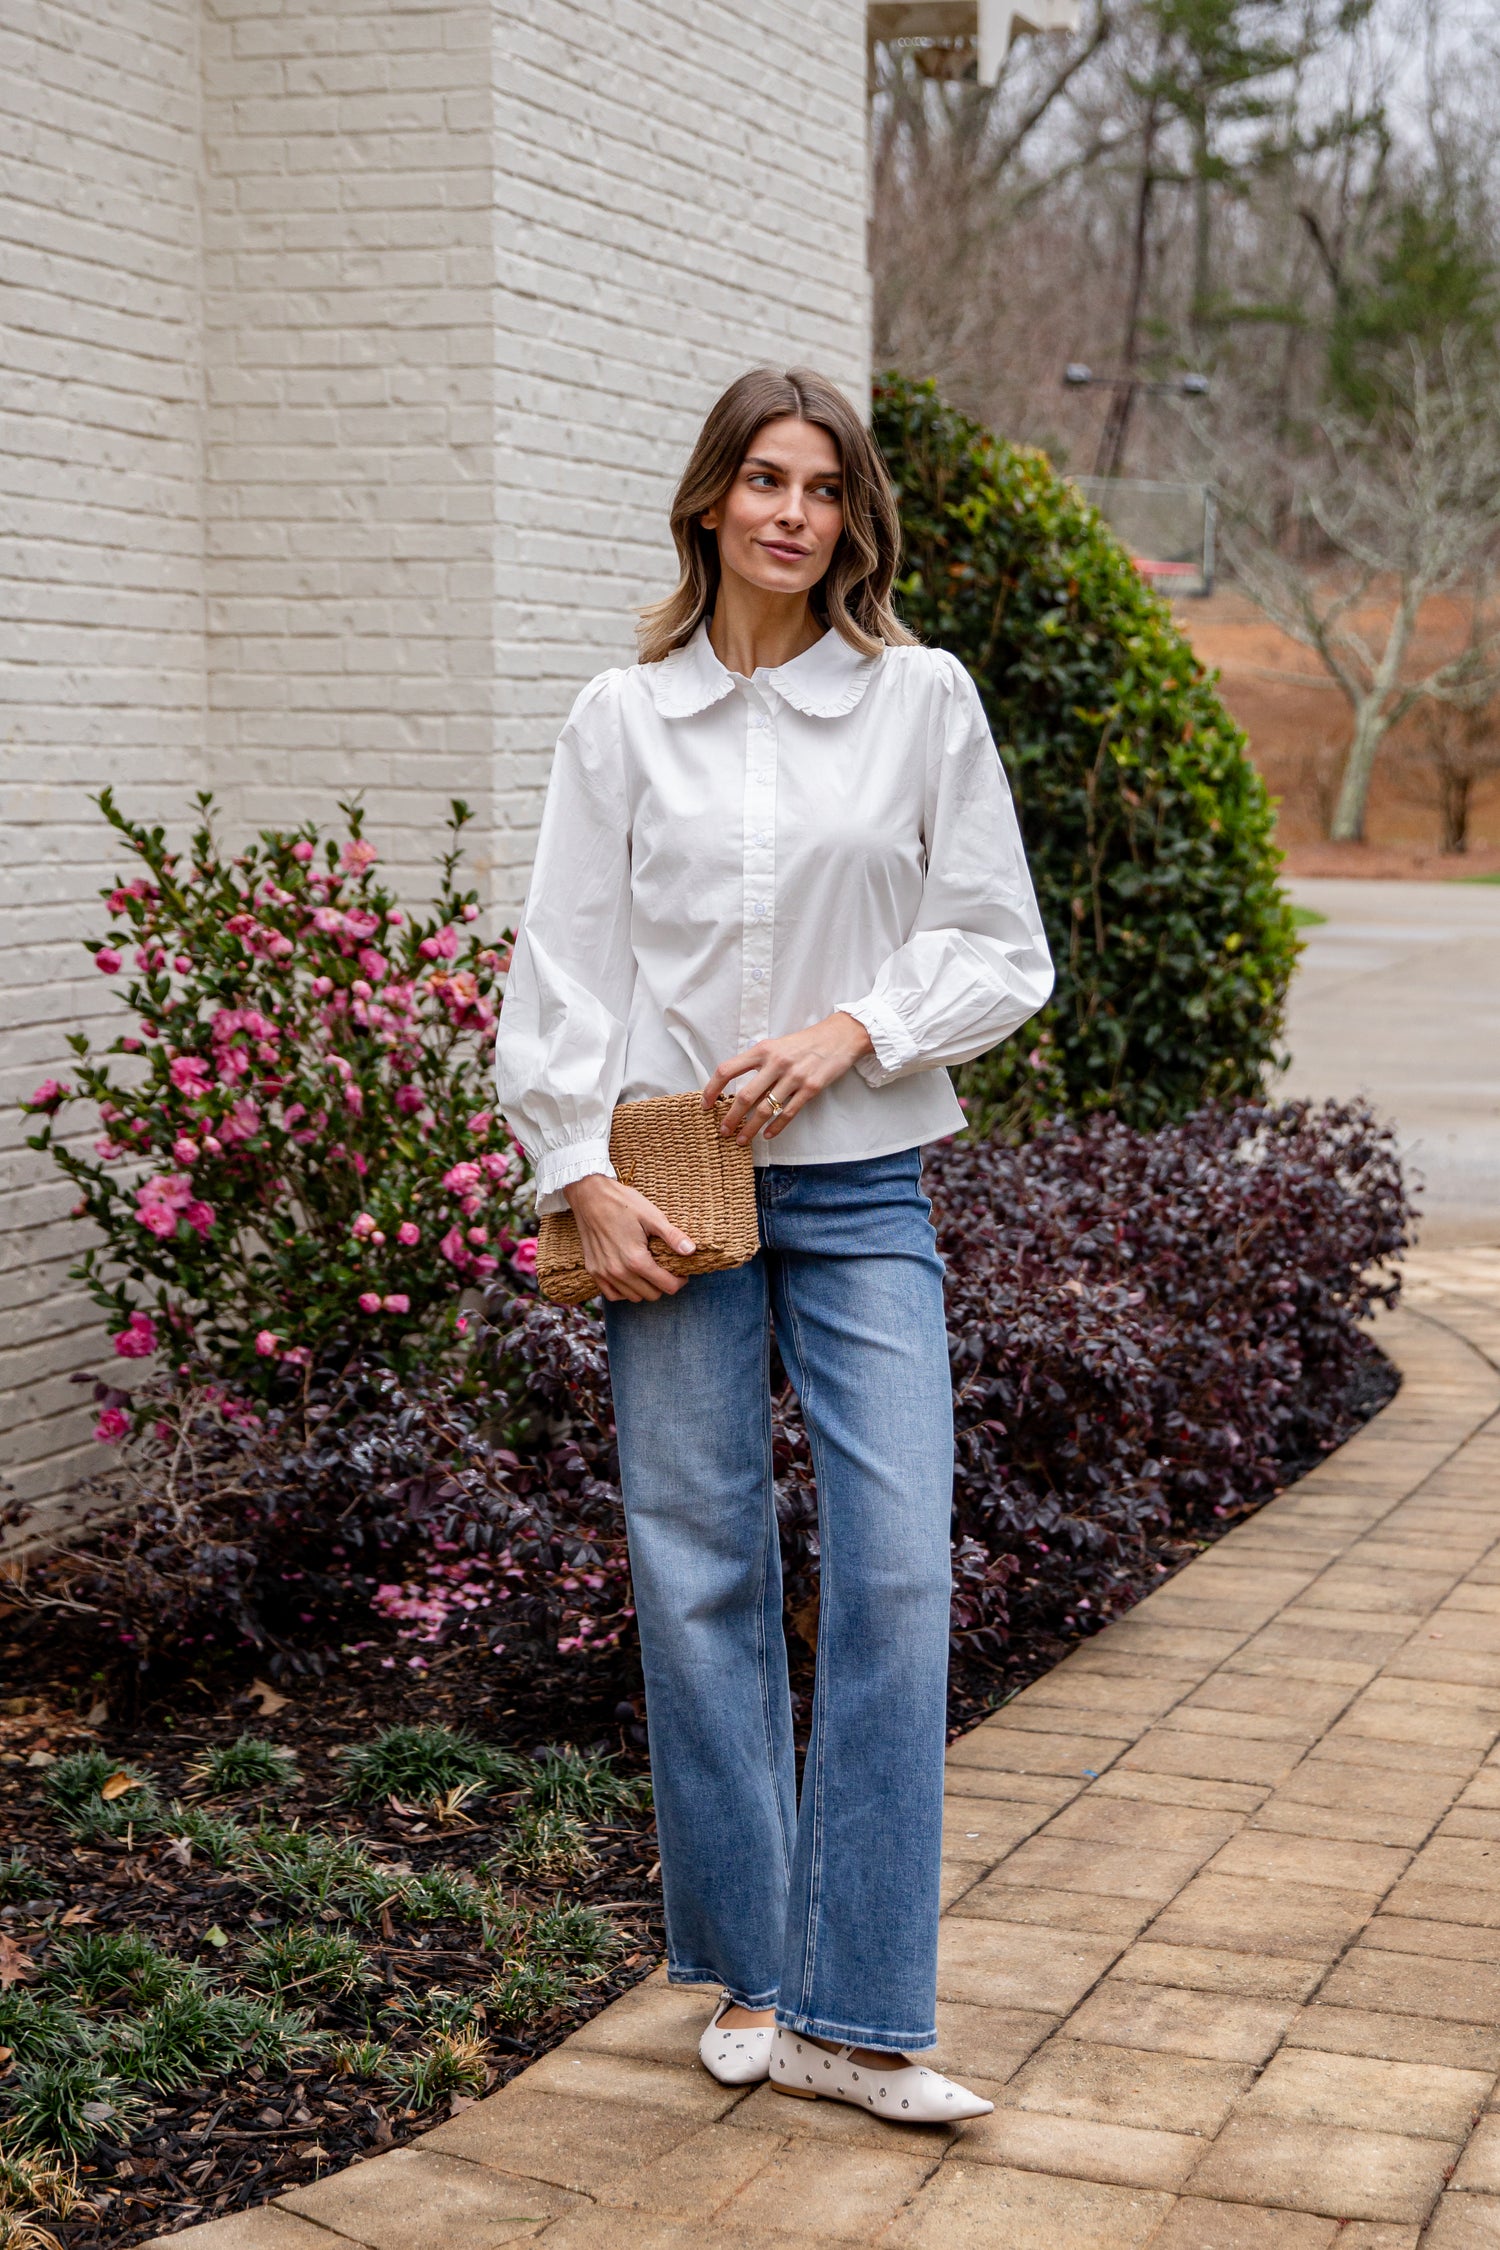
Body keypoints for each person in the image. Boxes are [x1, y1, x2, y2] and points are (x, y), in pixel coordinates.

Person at [495, 366, 1053, 2123]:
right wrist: (580, 1171)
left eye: (822, 485)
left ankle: (864, 2011)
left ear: (850, 517)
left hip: (864, 1177)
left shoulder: (919, 700)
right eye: (762, 478)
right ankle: (752, 1969)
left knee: (896, 1566)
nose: (792, 511)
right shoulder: (620, 718)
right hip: (673, 1191)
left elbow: (998, 942)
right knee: (700, 1564)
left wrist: (856, 1027)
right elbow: (562, 967)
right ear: (711, 504)